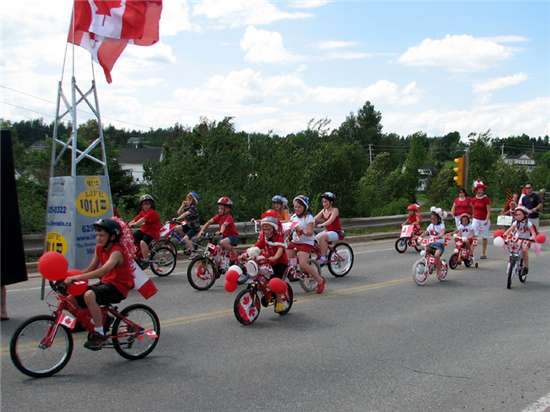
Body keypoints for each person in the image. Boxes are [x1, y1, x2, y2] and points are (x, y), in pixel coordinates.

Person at [64, 218, 135, 350]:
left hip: (118, 287)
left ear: (113, 237)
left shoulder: (117, 252)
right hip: (106, 283)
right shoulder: (99, 248)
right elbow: (91, 268)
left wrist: (77, 278)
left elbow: (102, 270)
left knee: (89, 295)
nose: (98, 238)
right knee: (70, 299)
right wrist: (69, 276)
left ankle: (100, 333)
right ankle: (97, 320)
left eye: (102, 235)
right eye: (97, 235)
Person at [288, 195, 326, 294]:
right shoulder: (293, 217)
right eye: (295, 207)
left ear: (305, 207)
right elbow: (288, 226)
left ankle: (320, 280)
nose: (296, 209)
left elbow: (309, 232)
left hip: (306, 242)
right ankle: (294, 270)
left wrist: (301, 230)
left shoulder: (309, 218)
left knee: (303, 263)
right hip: (295, 241)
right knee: (287, 256)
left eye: (299, 207)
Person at [252, 214, 289, 312]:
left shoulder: (278, 237)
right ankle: (267, 293)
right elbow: (257, 246)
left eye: (268, 229)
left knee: (274, 281)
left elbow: (280, 251)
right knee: (260, 276)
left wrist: (274, 257)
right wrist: (247, 253)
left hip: (280, 263)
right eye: (264, 229)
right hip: (269, 261)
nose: (266, 231)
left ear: (273, 228)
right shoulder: (264, 237)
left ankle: (280, 302)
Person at [503, 207, 537, 277]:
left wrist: (533, 237)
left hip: (526, 239)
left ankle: (526, 267)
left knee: (524, 250)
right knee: (511, 247)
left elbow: (533, 233)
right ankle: (511, 262)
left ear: (524, 215)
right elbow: (510, 229)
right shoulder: (515, 222)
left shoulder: (529, 223)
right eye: (516, 215)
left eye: (519, 214)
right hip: (517, 239)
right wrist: (505, 234)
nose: (517, 216)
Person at [128, 194, 161, 265]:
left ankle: (146, 259)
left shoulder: (152, 212)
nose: (146, 206)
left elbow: (142, 220)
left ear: (151, 205)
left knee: (143, 242)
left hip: (152, 232)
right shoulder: (142, 212)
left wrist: (135, 224)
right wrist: (127, 224)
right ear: (141, 206)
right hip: (144, 230)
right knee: (132, 238)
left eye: (148, 204)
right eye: (144, 204)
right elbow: (135, 219)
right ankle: (137, 254)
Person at [314, 192, 342, 265]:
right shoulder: (323, 210)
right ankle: (321, 255)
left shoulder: (335, 210)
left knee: (322, 237)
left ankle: (323, 258)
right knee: (314, 240)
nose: (324, 203)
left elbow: (330, 221)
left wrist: (322, 224)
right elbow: (315, 219)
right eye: (323, 202)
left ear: (331, 202)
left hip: (337, 232)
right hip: (327, 232)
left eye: (326, 202)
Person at [421, 207, 446, 278]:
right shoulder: (431, 225)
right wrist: (420, 236)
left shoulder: (441, 225)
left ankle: (439, 271)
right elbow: (426, 232)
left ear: (438, 219)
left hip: (439, 245)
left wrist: (440, 235)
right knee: (426, 251)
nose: (432, 220)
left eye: (434, 219)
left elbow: (443, 231)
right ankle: (429, 265)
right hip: (431, 243)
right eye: (431, 219)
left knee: (436, 256)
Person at [471, 181, 491, 259]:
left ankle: (483, 253)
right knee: (474, 235)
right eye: (479, 189)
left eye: (482, 189)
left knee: (484, 237)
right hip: (476, 219)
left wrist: (487, 219)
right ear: (476, 190)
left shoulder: (486, 199)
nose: (480, 190)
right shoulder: (473, 199)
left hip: (484, 219)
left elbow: (489, 211)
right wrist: (472, 218)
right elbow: (473, 210)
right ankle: (471, 252)